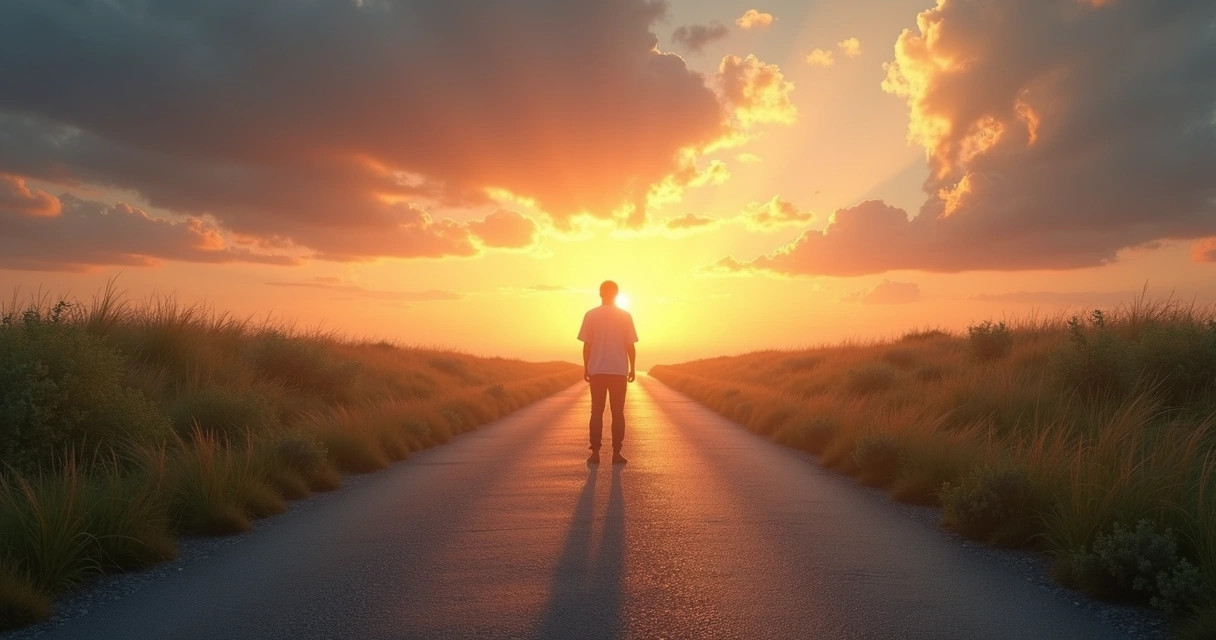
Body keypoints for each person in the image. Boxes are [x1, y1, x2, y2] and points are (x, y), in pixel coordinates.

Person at [577, 280, 637, 465]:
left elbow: (587, 346)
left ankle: (595, 453)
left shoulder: (591, 315)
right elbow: (630, 346)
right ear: (617, 293)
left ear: (600, 293)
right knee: (618, 412)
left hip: (597, 371)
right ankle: (616, 453)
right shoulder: (625, 316)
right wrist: (632, 368)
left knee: (597, 411)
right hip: (618, 371)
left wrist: (586, 367)